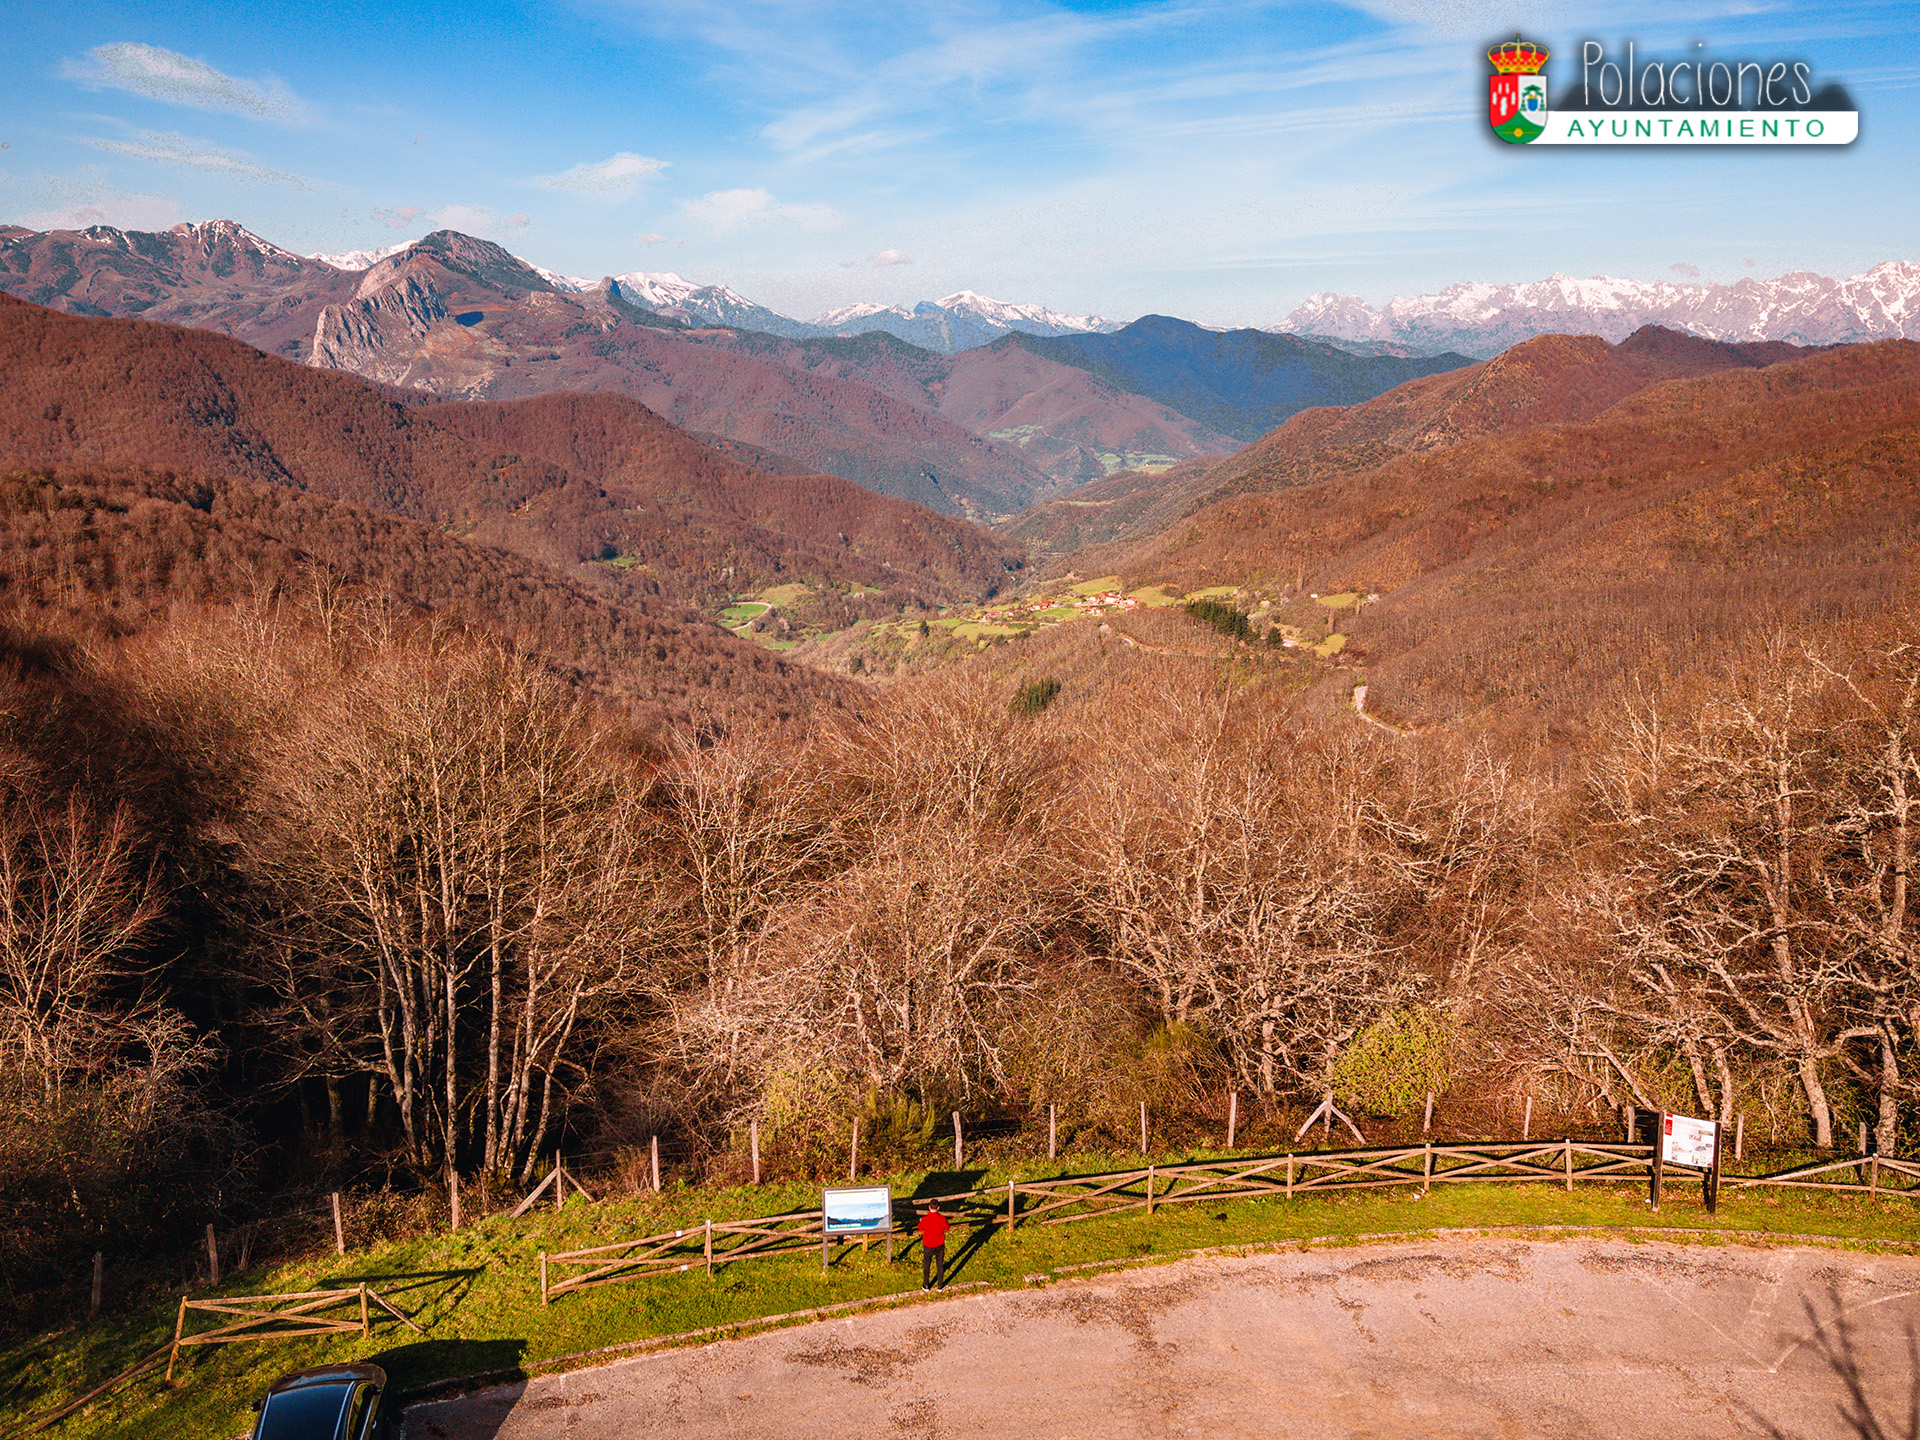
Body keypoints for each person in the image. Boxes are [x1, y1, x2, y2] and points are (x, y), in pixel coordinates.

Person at [917, 1201, 950, 1290]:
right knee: (940, 1264)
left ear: (929, 1207)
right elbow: (947, 1228)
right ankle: (940, 1284)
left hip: (928, 1245)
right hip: (939, 1244)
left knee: (927, 1265)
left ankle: (926, 1284)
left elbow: (920, 1227)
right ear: (938, 1208)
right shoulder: (942, 1219)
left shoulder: (925, 1219)